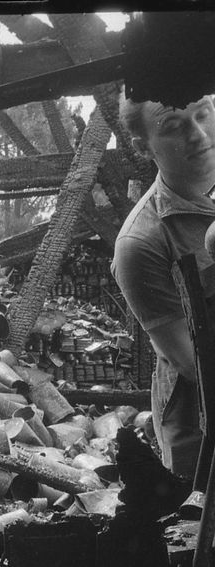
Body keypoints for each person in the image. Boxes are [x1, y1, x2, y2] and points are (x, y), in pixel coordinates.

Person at [112, 92, 215, 484]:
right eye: (174, 127)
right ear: (143, 147)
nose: (199, 134)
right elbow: (197, 367)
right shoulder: (141, 244)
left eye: (203, 114)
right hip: (203, 431)